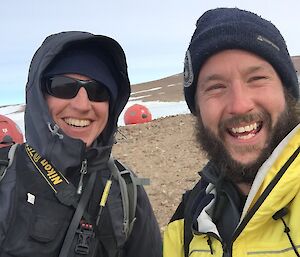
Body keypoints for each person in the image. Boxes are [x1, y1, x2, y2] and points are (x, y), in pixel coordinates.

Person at [0, 31, 162, 257]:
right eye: (64, 86)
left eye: (98, 91)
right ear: (39, 96)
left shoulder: (127, 192)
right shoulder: (5, 176)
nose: (82, 105)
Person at [164, 7, 300, 257]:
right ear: (198, 111)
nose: (239, 104)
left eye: (257, 78)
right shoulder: (184, 225)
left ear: (287, 91)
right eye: (216, 87)